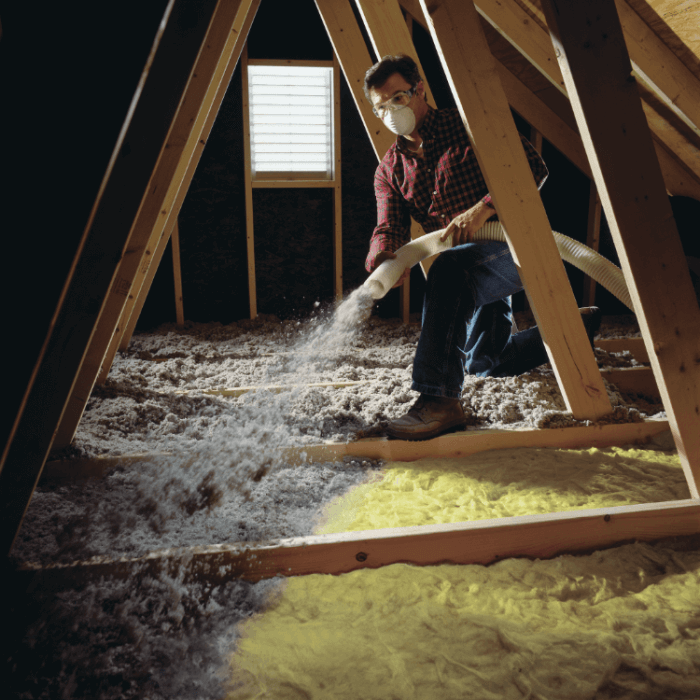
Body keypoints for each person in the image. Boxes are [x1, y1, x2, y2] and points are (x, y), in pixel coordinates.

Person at [364, 54, 601, 441]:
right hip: (471, 262)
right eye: (381, 107)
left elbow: (533, 166)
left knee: (448, 271)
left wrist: (484, 208)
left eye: (398, 98)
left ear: (419, 89)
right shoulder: (389, 169)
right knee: (484, 361)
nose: (391, 111)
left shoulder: (467, 125)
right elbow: (388, 226)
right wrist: (383, 258)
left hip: (516, 245)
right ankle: (578, 325)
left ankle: (439, 402)